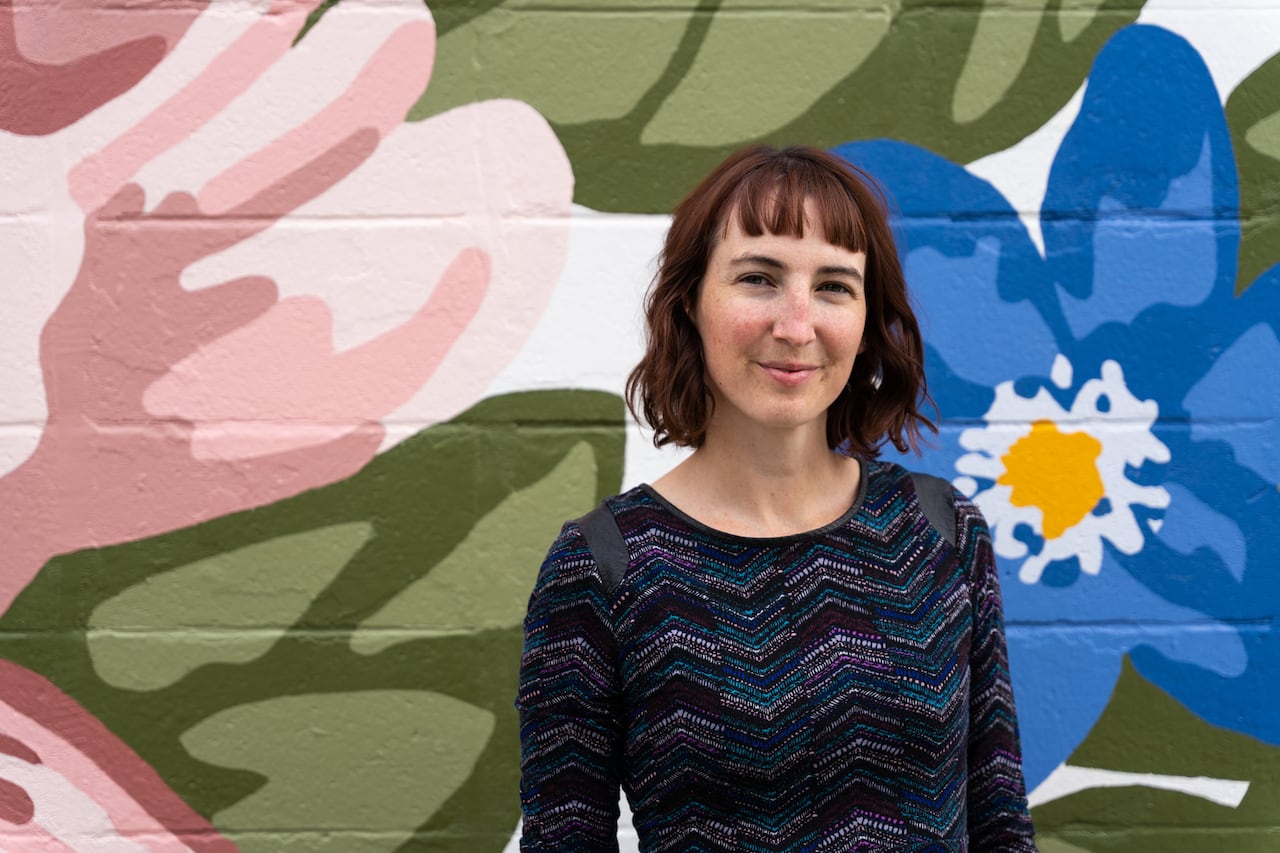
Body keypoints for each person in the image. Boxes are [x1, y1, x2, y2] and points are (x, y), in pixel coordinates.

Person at [516, 144, 1037, 851]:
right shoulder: (605, 566)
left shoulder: (941, 532)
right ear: (689, 302)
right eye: (758, 278)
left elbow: (1002, 827)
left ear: (865, 319)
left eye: (834, 286)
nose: (797, 327)